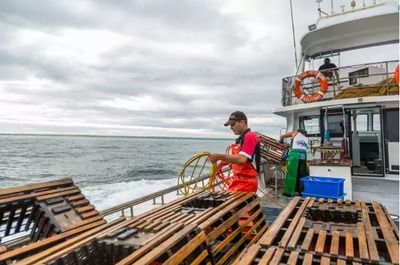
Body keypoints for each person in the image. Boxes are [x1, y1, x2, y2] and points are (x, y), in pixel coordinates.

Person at [208, 111, 260, 193]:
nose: (231, 127)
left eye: (233, 124)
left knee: (233, 205)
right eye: (230, 125)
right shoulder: (241, 138)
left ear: (242, 122)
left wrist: (218, 156)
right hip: (238, 181)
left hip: (247, 183)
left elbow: (242, 159)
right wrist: (222, 163)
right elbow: (238, 158)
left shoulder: (250, 136)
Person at [279, 129, 309, 196]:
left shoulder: (295, 133)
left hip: (294, 157)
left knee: (291, 174)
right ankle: (301, 192)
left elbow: (283, 136)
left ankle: (289, 192)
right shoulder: (305, 138)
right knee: (302, 174)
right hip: (303, 158)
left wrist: (281, 139)